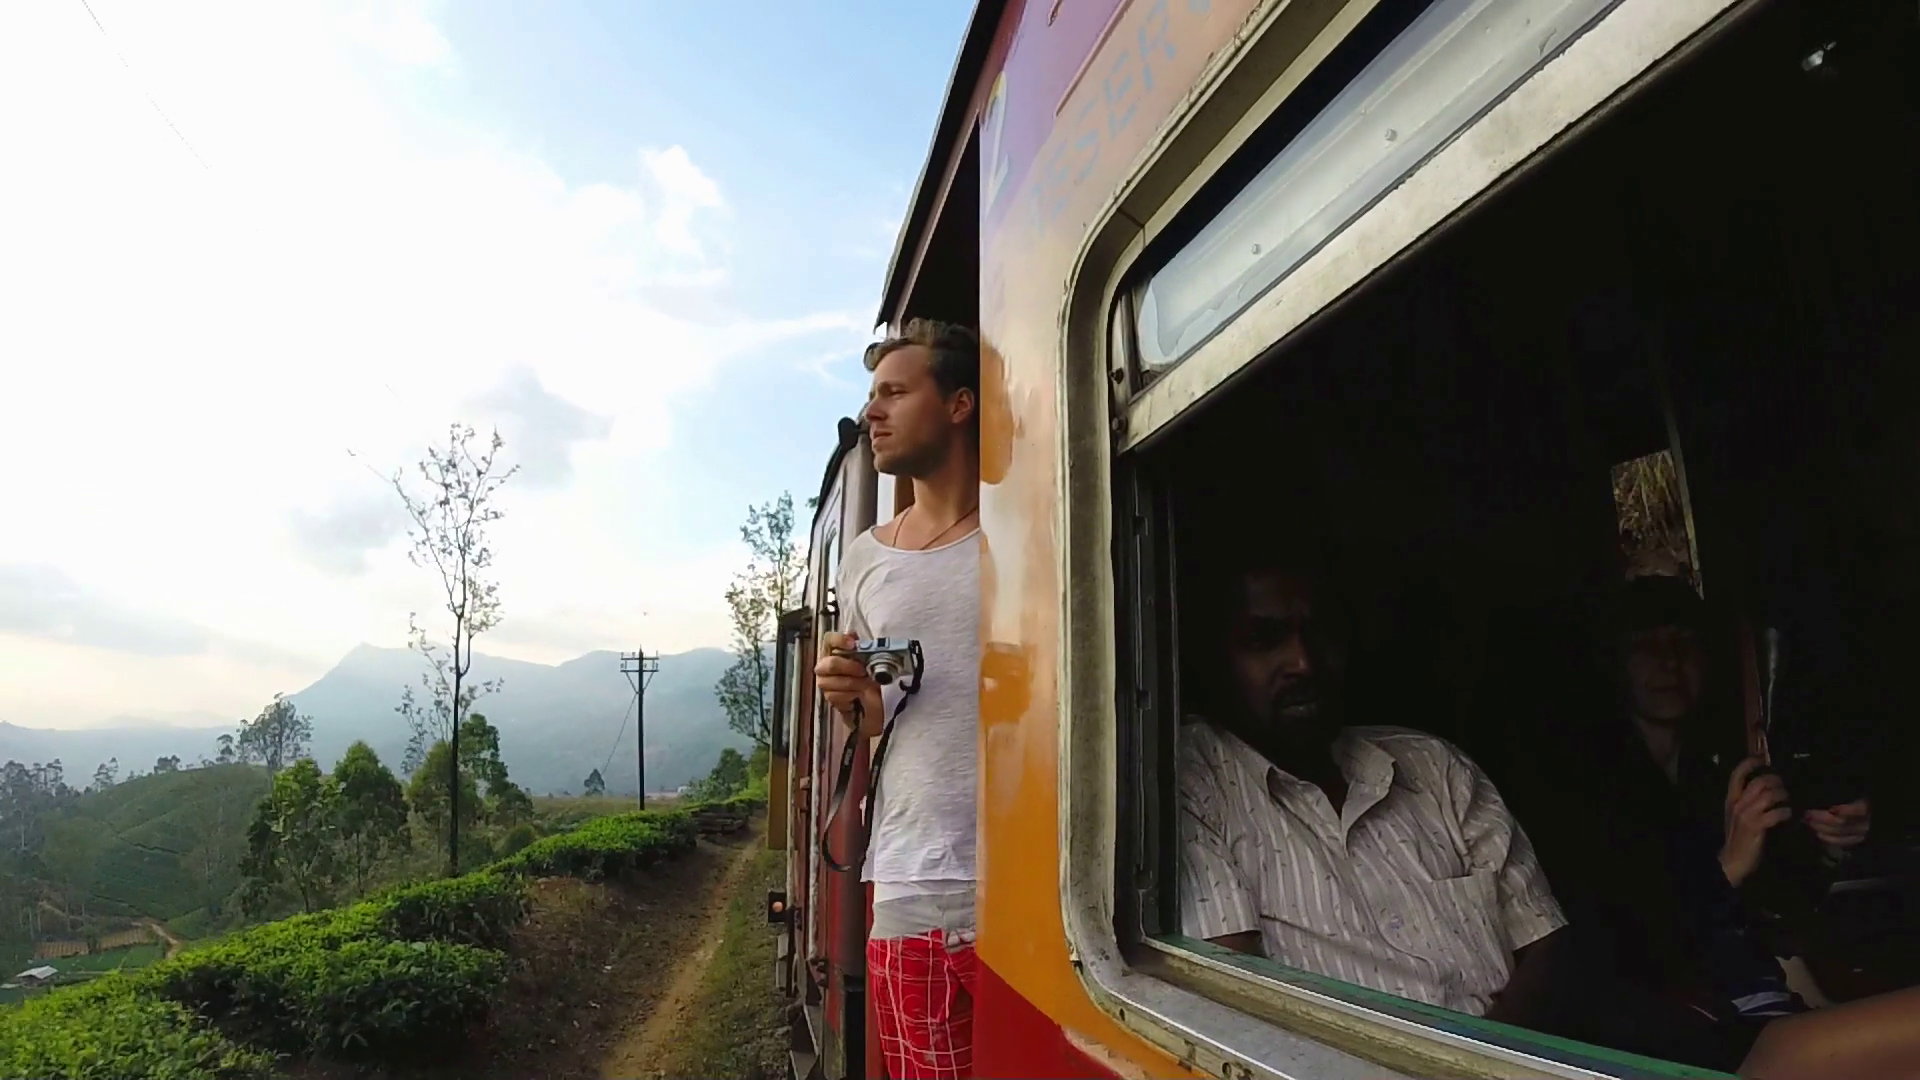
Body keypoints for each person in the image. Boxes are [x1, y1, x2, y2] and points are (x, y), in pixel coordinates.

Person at [1175, 536, 1569, 1026]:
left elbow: (1545, 943)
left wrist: (1490, 1054)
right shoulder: (1190, 784)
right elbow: (1236, 999)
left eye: (1319, 633)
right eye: (1263, 641)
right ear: (1213, 659)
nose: (1303, 662)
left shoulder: (1435, 766)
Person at [813, 318, 982, 1080]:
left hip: (1032, 882)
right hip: (911, 880)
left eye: (894, 392)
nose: (871, 412)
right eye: (871, 395)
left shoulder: (1024, 536)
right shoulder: (865, 559)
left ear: (959, 404)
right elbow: (878, 725)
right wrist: (850, 699)